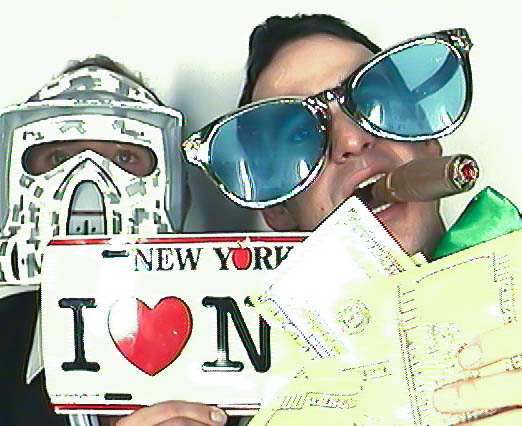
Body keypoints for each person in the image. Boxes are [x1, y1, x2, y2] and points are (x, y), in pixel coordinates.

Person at [183, 14, 522, 424]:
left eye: (376, 104)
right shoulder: (232, 394)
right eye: (298, 136)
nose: (351, 140)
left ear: (429, 141)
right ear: (277, 209)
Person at [0, 56, 228, 426]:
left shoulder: (230, 341)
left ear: (177, 192)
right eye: (58, 156)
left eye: (124, 156)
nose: (88, 176)